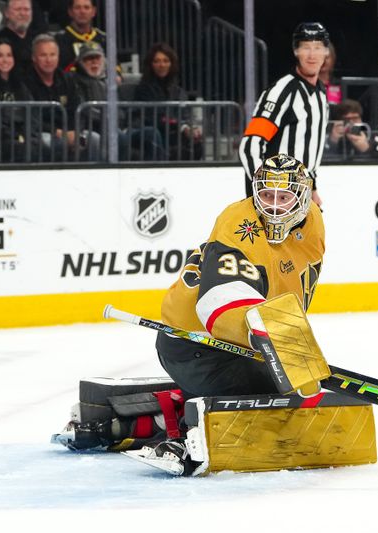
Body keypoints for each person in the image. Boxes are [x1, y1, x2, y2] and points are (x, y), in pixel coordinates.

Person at [155, 153, 324, 402]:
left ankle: (176, 408)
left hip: (237, 346)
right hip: (196, 345)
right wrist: (266, 331)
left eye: (284, 197)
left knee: (287, 393)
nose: (274, 206)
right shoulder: (239, 225)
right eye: (266, 195)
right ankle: (173, 422)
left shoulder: (313, 220)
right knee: (279, 398)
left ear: (303, 198)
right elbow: (220, 298)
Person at [239, 22, 330, 206]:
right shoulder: (282, 91)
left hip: (301, 194)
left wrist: (312, 188)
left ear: (326, 52)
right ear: (296, 51)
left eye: (317, 47)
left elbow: (308, 152)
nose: (312, 55)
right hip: (273, 201)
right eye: (306, 47)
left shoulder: (321, 94)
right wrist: (266, 188)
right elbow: (250, 146)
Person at [71, 41, 164, 161]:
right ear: (81, 62)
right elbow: (84, 109)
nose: (94, 62)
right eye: (89, 58)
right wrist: (109, 121)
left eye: (97, 58)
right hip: (96, 128)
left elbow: (124, 108)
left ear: (104, 61)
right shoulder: (75, 82)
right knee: (119, 137)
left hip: (120, 127)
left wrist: (127, 123)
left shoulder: (112, 81)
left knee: (151, 133)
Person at [134, 42, 202, 161]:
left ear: (171, 64)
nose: (162, 65)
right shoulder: (143, 88)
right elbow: (154, 116)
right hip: (153, 129)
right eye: (157, 61)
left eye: (166, 61)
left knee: (195, 138)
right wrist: (182, 126)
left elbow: (185, 114)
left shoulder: (178, 91)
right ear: (151, 65)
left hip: (174, 130)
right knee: (159, 134)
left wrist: (190, 127)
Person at [22, 32, 81, 160]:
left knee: (93, 139)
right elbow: (31, 118)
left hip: (67, 130)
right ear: (34, 58)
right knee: (53, 143)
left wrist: (73, 131)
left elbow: (77, 109)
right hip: (41, 132)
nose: (48, 60)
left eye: (52, 55)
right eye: (43, 55)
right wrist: (56, 132)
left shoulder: (67, 79)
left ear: (58, 57)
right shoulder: (25, 82)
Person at [0, 38, 35, 162]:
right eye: (0, 56)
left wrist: (29, 134)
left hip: (22, 136)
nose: (5, 60)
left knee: (46, 148)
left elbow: (32, 112)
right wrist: (13, 135)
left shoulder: (20, 85)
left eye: (9, 55)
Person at [53, 0, 105, 73]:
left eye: (86, 7)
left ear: (93, 12)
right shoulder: (59, 40)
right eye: (77, 8)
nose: (82, 11)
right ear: (70, 12)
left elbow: (115, 67)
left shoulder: (103, 38)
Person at [0, 0, 37, 76]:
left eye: (26, 9)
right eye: (18, 9)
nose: (22, 13)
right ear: (6, 13)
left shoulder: (37, 40)